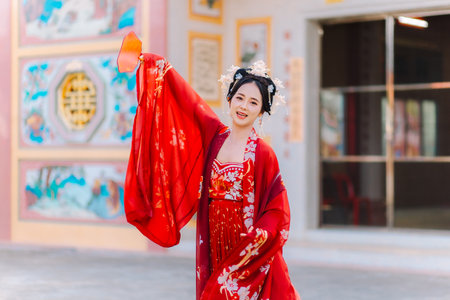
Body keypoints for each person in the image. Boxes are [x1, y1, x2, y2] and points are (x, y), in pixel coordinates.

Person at [119, 32, 300, 300]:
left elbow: (277, 208)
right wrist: (152, 64)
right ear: (229, 99)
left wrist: (259, 236)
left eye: (253, 103)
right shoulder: (215, 136)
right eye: (240, 98)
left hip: (245, 245)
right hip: (213, 238)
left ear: (261, 112)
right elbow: (187, 101)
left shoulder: (263, 153)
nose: (244, 106)